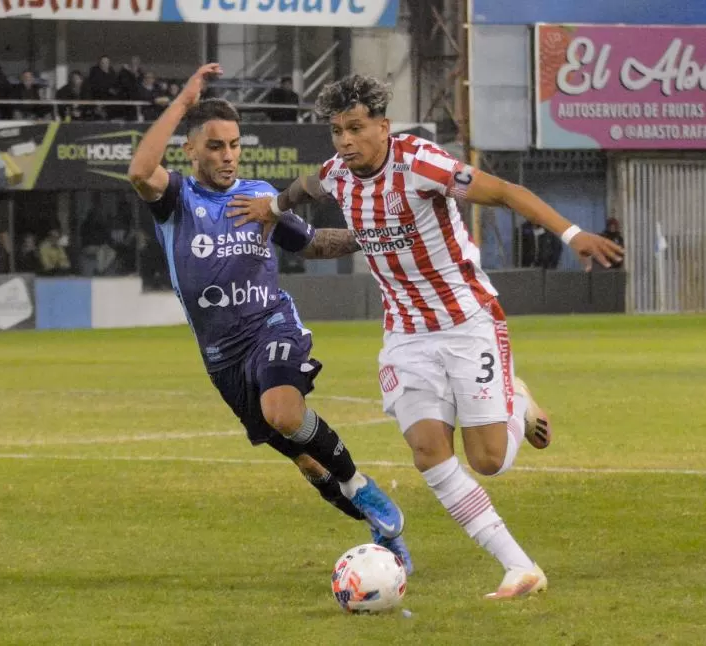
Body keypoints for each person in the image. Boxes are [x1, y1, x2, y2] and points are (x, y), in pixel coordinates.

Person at [228, 74, 624, 599]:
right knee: (427, 451)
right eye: (337, 131)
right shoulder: (338, 173)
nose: (345, 141)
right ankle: (519, 567)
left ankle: (517, 399)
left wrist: (573, 235)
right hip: (406, 336)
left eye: (356, 128)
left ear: (383, 126)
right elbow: (308, 186)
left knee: (487, 461)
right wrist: (274, 208)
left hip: (467, 323)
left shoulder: (421, 163)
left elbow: (504, 192)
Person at [126, 64, 412, 571]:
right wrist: (181, 104)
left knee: (284, 412)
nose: (228, 155)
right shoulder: (177, 201)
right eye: (215, 145)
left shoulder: (258, 197)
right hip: (222, 358)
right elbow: (139, 171)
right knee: (307, 462)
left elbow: (314, 243)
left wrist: (379, 235)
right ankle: (385, 537)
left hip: (271, 327)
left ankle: (365, 493)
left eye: (235, 144)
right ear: (190, 150)